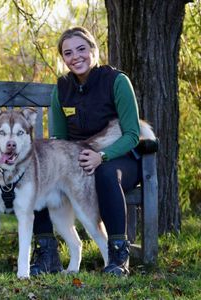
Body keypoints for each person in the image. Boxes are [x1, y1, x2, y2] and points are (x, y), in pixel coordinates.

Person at [30, 26, 141, 277]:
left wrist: (102, 156)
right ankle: (48, 254)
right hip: (76, 160)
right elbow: (58, 137)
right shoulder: (61, 89)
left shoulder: (117, 81)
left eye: (81, 49)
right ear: (63, 59)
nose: (76, 57)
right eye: (68, 53)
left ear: (93, 50)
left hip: (119, 157)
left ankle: (117, 256)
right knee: (36, 174)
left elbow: (132, 135)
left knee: (105, 173)